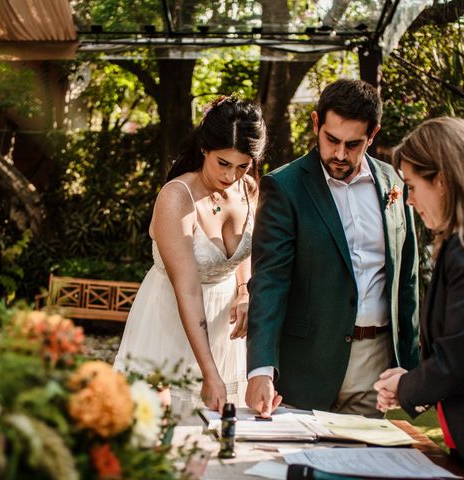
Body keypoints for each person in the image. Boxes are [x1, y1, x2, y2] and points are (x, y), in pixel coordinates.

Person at [246, 79, 419, 418]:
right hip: (306, 367)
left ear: (373, 134)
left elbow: (407, 279)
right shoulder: (284, 187)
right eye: (331, 139)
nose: (340, 154)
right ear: (316, 124)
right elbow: (269, 281)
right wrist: (262, 369)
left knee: (363, 468)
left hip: (375, 365)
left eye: (353, 144)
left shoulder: (395, 185)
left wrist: (412, 368)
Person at [374, 117, 464, 479]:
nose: (408, 200)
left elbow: (459, 357)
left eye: (411, 186)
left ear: (442, 180)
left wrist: (406, 387)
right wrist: (413, 381)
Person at [114, 96, 267, 415]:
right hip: (170, 317)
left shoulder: (248, 189)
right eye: (222, 163)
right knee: (164, 427)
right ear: (204, 149)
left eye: (242, 166)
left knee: (220, 430)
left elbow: (242, 253)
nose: (231, 176)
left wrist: (243, 292)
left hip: (223, 326)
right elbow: (187, 287)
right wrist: (209, 371)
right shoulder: (176, 198)